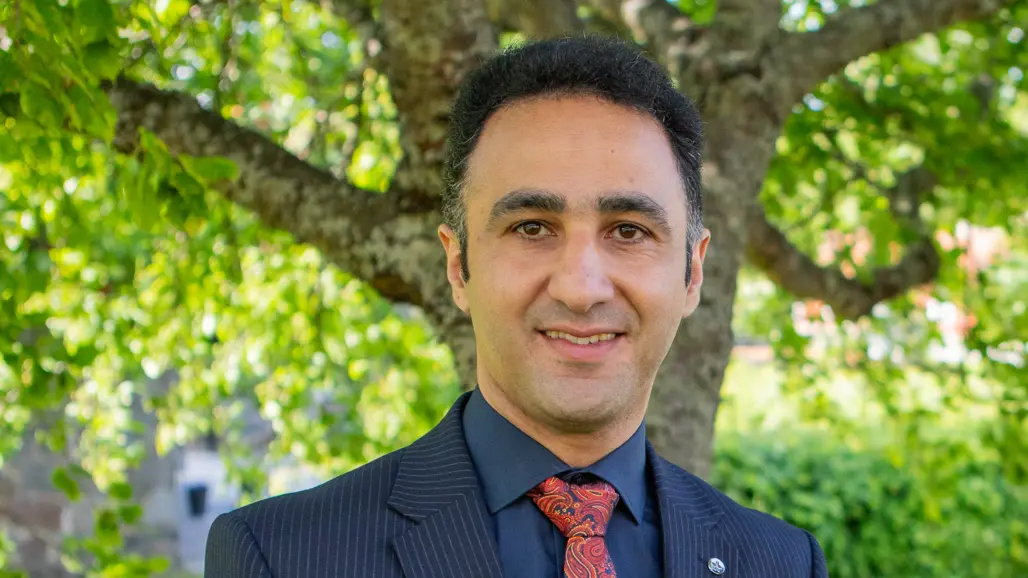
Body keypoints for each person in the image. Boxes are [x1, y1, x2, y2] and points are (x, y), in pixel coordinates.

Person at [204, 35, 828, 578]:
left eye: (629, 230)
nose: (581, 288)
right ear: (458, 265)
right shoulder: (283, 556)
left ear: (693, 271)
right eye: (532, 227)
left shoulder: (780, 561)